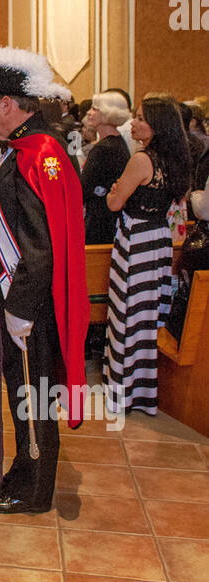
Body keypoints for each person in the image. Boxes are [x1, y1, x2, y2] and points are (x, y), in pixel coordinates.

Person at [0, 46, 90, 516]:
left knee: (32, 397)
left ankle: (33, 491)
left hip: (27, 308)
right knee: (23, 394)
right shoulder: (26, 149)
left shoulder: (38, 154)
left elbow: (39, 248)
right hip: (22, 301)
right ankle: (23, 471)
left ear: (8, 105)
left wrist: (18, 310)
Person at [103, 94, 192, 416]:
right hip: (159, 240)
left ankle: (122, 392)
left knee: (127, 313)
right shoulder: (175, 160)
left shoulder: (142, 159)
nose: (134, 123)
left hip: (135, 239)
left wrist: (116, 189)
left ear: (157, 125)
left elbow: (114, 202)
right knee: (147, 314)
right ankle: (142, 392)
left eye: (141, 118)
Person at [81, 94, 132, 244]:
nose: (89, 112)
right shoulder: (117, 142)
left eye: (94, 109)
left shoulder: (103, 148)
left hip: (99, 221)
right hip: (111, 218)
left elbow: (84, 187)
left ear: (107, 112)